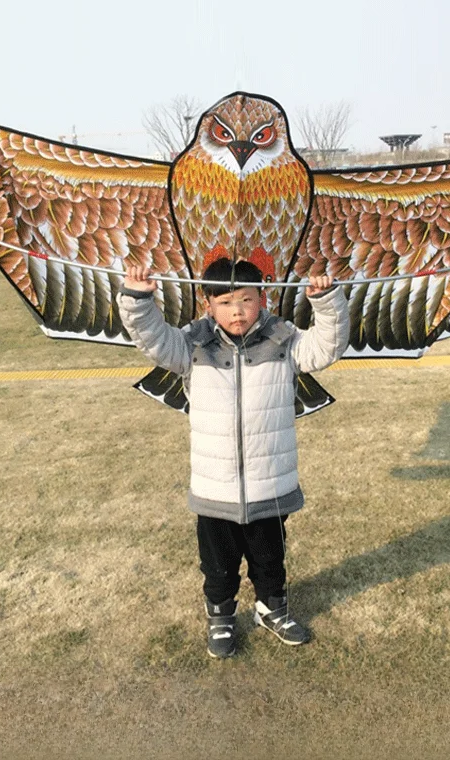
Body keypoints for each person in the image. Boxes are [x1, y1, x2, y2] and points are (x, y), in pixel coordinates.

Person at [117, 257, 349, 658]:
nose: (237, 310)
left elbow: (326, 347)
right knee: (217, 563)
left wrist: (326, 301)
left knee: (270, 556)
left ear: (264, 298)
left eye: (246, 299)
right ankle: (221, 616)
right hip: (215, 485)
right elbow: (152, 339)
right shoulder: (190, 344)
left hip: (270, 480)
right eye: (224, 302)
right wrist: (138, 300)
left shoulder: (284, 341)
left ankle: (271, 608)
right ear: (208, 305)